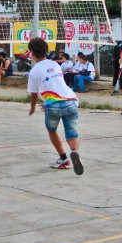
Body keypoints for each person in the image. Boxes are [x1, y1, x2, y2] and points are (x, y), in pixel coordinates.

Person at [26, 37, 83, 175]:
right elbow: (57, 84)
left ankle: (64, 159)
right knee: (71, 132)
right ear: (46, 51)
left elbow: (33, 94)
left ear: (31, 53)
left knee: (52, 130)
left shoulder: (34, 71)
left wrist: (33, 107)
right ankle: (74, 152)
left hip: (53, 106)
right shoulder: (55, 65)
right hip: (70, 100)